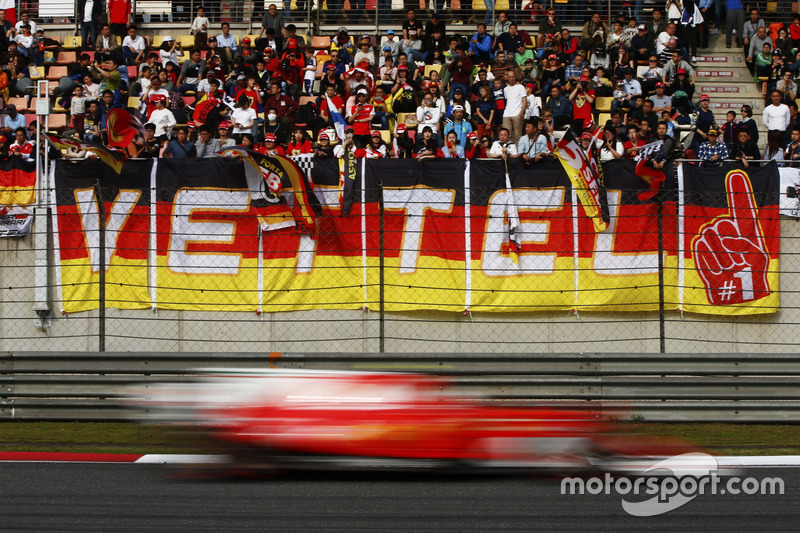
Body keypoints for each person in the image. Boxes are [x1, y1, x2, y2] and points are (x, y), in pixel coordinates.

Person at [502, 71, 528, 143]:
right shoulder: (505, 89)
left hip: (517, 114)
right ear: (507, 78)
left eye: (513, 77)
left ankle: (519, 152)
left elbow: (524, 101)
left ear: (515, 77)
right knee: (506, 136)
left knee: (518, 136)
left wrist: (521, 113)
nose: (511, 78)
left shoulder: (520, 87)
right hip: (507, 114)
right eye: (510, 77)